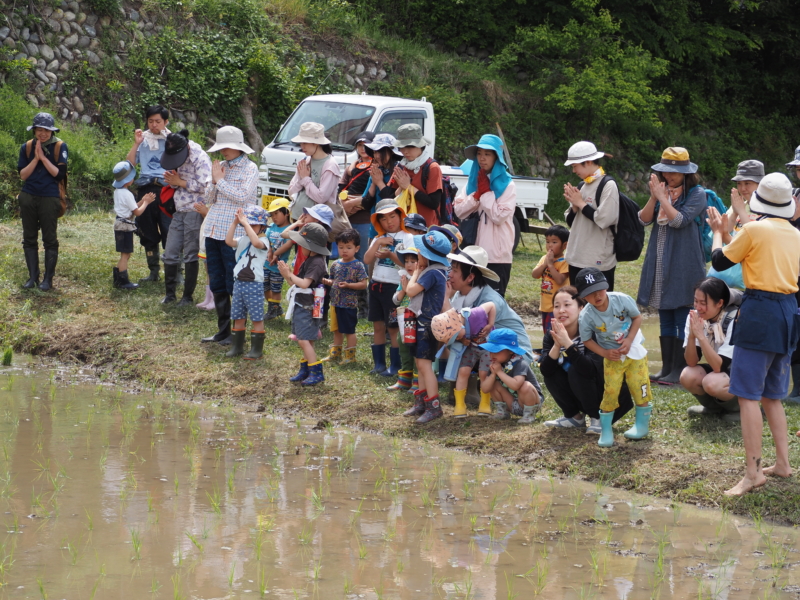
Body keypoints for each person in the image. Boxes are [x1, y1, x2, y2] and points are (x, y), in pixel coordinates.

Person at [708, 172, 800, 496]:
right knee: (771, 395)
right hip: (789, 311)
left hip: (760, 310)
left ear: (759, 200)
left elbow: (719, 261)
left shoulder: (754, 229)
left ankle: (753, 473)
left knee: (748, 394)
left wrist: (718, 232)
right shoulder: (795, 233)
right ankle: (784, 464)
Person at [637, 147, 707, 385]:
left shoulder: (697, 194)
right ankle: (667, 368)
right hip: (660, 260)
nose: (669, 176)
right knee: (664, 314)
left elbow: (679, 220)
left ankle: (680, 369)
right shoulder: (663, 191)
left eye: (674, 173)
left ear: (686, 173)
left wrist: (663, 198)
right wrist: (654, 197)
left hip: (684, 263)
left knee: (682, 315)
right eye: (665, 172)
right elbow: (643, 219)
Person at [446, 246, 534, 416]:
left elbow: (453, 328)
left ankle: (476, 389)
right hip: (487, 348)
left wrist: (444, 299)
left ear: (470, 277)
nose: (450, 274)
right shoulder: (461, 295)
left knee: (455, 338)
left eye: (455, 270)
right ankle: (469, 386)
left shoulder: (488, 300)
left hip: (515, 354)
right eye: (451, 269)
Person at [576, 267, 652, 447]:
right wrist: (604, 353)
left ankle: (642, 426)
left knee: (639, 385)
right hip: (612, 357)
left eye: (599, 289)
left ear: (606, 286)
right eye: (590, 293)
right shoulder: (586, 316)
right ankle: (606, 429)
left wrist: (629, 339)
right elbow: (587, 340)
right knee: (610, 390)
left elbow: (637, 317)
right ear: (583, 297)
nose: (597, 295)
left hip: (634, 350)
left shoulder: (622, 299)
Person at [541, 286, 633, 434]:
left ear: (581, 308)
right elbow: (545, 371)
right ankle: (574, 417)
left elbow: (589, 369)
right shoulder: (552, 335)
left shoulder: (595, 331)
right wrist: (557, 344)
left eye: (567, 305)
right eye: (556, 306)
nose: (561, 310)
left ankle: (598, 418)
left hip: (610, 395)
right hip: (583, 391)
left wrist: (568, 344)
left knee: (576, 369)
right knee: (552, 371)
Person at [200, 126, 258, 343]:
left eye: (227, 147)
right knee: (217, 281)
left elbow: (242, 196)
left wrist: (220, 181)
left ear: (239, 147)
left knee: (234, 282)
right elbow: (208, 198)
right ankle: (223, 331)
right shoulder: (220, 167)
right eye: (221, 147)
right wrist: (215, 181)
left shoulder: (250, 168)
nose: (223, 151)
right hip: (214, 229)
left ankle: (237, 332)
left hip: (235, 234)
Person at [453, 134, 516, 296]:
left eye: (487, 154)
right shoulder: (473, 181)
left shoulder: (508, 185)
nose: (482, 158)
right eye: (479, 153)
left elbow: (498, 217)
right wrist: (476, 195)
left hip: (497, 256)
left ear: (497, 157)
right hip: (473, 253)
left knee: (493, 301)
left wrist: (486, 193)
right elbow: (459, 211)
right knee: (470, 299)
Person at [402, 230, 451, 424]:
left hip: (427, 325)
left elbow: (410, 290)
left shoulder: (431, 273)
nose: (417, 256)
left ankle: (434, 407)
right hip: (423, 323)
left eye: (419, 253)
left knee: (424, 365)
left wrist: (414, 273)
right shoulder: (437, 271)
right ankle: (421, 402)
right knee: (420, 363)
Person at [159, 130, 211, 306]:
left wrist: (180, 182)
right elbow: (177, 181)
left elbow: (206, 187)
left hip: (194, 210)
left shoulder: (200, 158)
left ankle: (187, 297)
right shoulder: (176, 152)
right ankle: (170, 294)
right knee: (170, 252)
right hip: (179, 209)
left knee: (190, 253)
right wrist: (172, 181)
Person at [17, 112, 67, 291]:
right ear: (34, 130)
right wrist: (36, 158)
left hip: (50, 196)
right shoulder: (27, 147)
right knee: (29, 238)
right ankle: (33, 277)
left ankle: (48, 279)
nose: (43, 133)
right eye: (39, 130)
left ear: (52, 131)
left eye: (46, 130)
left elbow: (59, 174)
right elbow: (23, 175)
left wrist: (44, 158)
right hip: (28, 195)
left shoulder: (59, 146)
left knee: (49, 239)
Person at [364, 199, 414, 376]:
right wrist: (378, 243)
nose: (389, 222)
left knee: (393, 328)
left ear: (400, 216)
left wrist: (390, 255)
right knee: (378, 326)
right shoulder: (378, 238)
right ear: (378, 222)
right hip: (376, 285)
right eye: (383, 219)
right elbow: (367, 259)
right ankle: (379, 364)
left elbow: (408, 264)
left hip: (394, 288)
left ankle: (395, 366)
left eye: (392, 216)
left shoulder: (408, 237)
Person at [679, 277, 741, 420]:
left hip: (740, 373)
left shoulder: (735, 319)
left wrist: (701, 337)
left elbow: (719, 367)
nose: (698, 307)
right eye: (696, 301)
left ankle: (739, 409)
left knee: (712, 382)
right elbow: (691, 362)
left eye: (703, 303)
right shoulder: (695, 317)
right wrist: (692, 336)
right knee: (688, 375)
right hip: (720, 370)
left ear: (720, 303)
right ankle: (713, 408)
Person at [277, 223, 330, 386]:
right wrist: (286, 275)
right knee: (307, 339)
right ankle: (306, 369)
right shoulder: (310, 259)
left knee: (303, 339)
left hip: (308, 307)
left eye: (302, 244)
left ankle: (316, 372)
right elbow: (295, 284)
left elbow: (305, 284)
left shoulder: (317, 262)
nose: (300, 247)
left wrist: (289, 274)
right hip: (302, 304)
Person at [562, 141, 618, 290]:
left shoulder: (608, 185)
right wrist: (574, 206)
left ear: (587, 162)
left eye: (575, 166)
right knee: (577, 301)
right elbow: (571, 222)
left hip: (598, 260)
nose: (574, 170)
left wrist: (580, 203)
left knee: (600, 301)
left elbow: (604, 220)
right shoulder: (582, 185)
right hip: (576, 257)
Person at [126, 105, 171, 283]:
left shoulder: (172, 140)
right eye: (150, 121)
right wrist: (136, 143)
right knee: (147, 230)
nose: (154, 125)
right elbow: (130, 163)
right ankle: (153, 272)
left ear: (166, 122)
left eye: (158, 121)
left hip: (166, 190)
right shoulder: (143, 139)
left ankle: (176, 273)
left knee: (170, 230)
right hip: (146, 188)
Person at [431, 301, 497, 418]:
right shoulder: (458, 331)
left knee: (483, 373)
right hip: (471, 347)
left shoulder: (475, 314)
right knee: (463, 372)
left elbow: (491, 305)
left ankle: (485, 402)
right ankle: (460, 404)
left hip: (487, 347)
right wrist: (462, 340)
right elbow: (460, 335)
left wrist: (490, 324)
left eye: (456, 336)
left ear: (457, 325)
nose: (457, 338)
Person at [224, 206, 270, 360]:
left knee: (256, 317)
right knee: (238, 315)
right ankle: (237, 347)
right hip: (239, 283)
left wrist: (245, 223)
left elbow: (256, 243)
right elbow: (228, 241)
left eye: (253, 224)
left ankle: (256, 350)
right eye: (247, 224)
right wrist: (235, 223)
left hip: (254, 284)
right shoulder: (243, 239)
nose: (248, 227)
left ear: (262, 226)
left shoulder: (263, 240)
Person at [321, 228, 368, 365]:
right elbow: (333, 280)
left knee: (349, 331)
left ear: (357, 248)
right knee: (336, 329)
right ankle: (335, 353)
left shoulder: (358, 265)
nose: (344, 250)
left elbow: (363, 284)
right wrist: (326, 281)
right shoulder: (335, 264)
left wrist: (349, 285)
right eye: (341, 247)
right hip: (335, 303)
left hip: (349, 305)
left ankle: (350, 356)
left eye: (348, 247)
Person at [479, 329, 543, 424]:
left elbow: (516, 385)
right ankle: (503, 412)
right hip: (512, 404)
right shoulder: (497, 365)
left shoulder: (520, 363)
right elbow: (485, 389)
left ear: (510, 351)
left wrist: (499, 372)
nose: (492, 355)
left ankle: (529, 415)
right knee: (493, 383)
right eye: (490, 351)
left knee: (525, 385)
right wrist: (493, 374)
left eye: (497, 351)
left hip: (530, 402)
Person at [111, 161, 156, 290]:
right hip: (125, 227)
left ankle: (118, 279)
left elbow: (132, 206)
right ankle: (123, 281)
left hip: (119, 224)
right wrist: (146, 203)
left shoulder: (118, 191)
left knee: (125, 254)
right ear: (128, 180)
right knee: (125, 255)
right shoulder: (127, 194)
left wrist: (142, 200)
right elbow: (137, 212)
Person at [390, 124, 443, 227]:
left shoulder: (432, 168)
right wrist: (401, 188)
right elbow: (390, 198)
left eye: (410, 146)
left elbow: (433, 203)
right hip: (402, 227)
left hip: (425, 228)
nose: (405, 151)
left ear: (421, 146)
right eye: (402, 147)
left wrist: (408, 187)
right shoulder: (401, 166)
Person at [288, 122, 341, 223]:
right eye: (301, 143)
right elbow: (291, 192)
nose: (302, 146)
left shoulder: (330, 165)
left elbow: (321, 197)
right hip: (297, 217)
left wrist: (305, 179)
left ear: (316, 143)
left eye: (305, 142)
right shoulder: (305, 161)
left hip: (316, 222)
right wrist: (302, 179)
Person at [388, 244, 420, 392]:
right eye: (406, 261)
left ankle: (418, 380)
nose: (409, 265)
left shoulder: (421, 279)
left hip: (418, 318)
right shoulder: (404, 277)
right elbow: (395, 300)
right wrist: (402, 290)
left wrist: (408, 288)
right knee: (403, 343)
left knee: (417, 347)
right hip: (404, 317)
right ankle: (404, 379)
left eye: (413, 261)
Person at [339, 131, 375, 261]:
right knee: (346, 256)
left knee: (363, 257)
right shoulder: (351, 167)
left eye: (366, 145)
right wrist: (345, 204)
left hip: (365, 220)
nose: (363, 148)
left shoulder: (377, 167)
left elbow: (373, 194)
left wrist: (355, 203)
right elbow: (340, 188)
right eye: (360, 145)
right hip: (347, 218)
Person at [531, 225, 570, 333]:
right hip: (545, 305)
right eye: (547, 241)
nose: (550, 245)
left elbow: (560, 280)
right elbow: (534, 274)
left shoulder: (565, 261)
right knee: (547, 333)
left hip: (558, 306)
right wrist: (545, 264)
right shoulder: (544, 258)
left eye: (554, 242)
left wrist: (551, 265)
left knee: (556, 333)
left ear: (564, 245)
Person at [264, 198, 293, 320]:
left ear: (286, 213)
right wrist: (270, 251)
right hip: (266, 264)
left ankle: (273, 309)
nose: (274, 217)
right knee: (264, 286)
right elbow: (266, 240)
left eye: (276, 213)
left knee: (276, 289)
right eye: (272, 214)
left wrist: (276, 253)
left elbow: (289, 244)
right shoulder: (271, 226)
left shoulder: (290, 229)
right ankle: (275, 308)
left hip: (278, 267)